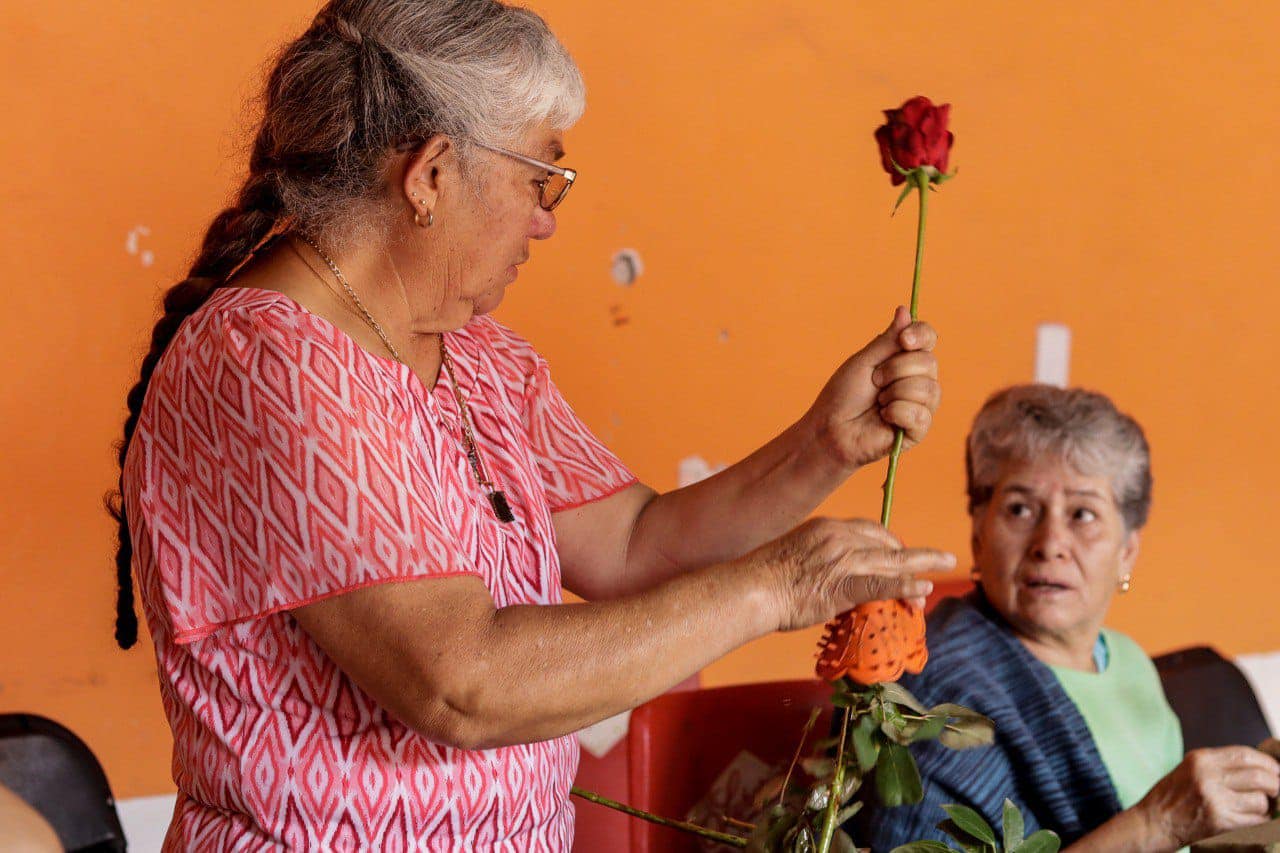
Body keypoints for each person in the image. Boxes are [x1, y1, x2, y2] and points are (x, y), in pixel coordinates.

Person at [105, 1, 953, 848]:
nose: (546, 217)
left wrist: (825, 443)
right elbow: (460, 682)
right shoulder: (267, 360)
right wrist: (778, 585)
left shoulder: (476, 355)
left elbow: (636, 546)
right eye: (538, 176)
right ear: (431, 172)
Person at [854, 385, 1280, 852]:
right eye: (1019, 509)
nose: (1050, 541)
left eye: (1083, 513)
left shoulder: (1128, 659)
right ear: (978, 531)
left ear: (1127, 551)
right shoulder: (933, 696)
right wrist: (1156, 824)